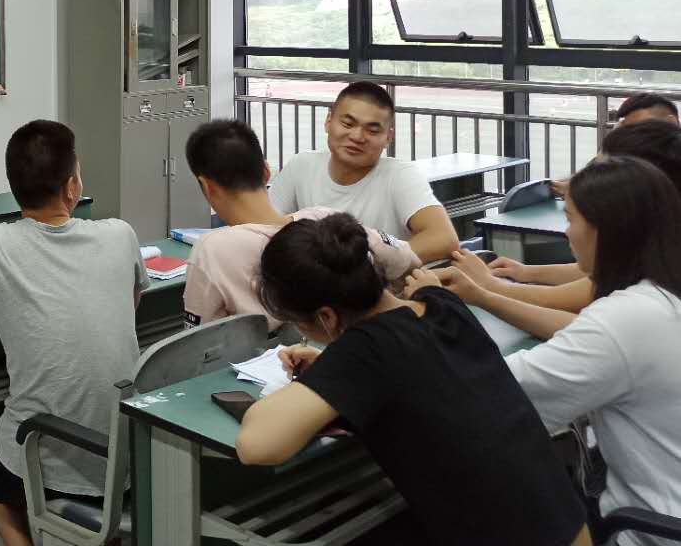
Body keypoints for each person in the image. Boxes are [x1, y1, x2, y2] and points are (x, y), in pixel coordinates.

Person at [235, 213, 589, 546]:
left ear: (326, 317)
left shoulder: (365, 351)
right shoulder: (439, 302)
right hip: (568, 521)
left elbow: (257, 446)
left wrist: (333, 370)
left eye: (299, 323)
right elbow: (416, 372)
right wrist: (333, 371)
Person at [0, 121, 146, 546]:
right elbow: (129, 307)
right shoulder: (120, 234)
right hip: (134, 452)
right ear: (72, 186)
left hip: (52, 458)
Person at [501, 156, 681, 543]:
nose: (566, 233)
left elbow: (502, 392)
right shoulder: (664, 291)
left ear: (605, 230)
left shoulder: (627, 318)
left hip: (651, 531)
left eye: (570, 219)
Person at [435, 120, 681, 339]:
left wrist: (488, 288)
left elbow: (586, 326)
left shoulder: (648, 287)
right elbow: (590, 291)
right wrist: (525, 273)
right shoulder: (658, 248)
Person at [182, 119, 419, 329]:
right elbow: (406, 258)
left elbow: (201, 341)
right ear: (266, 171)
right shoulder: (325, 219)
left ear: (207, 187)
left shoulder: (211, 250)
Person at [267, 81, 459, 262]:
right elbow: (264, 225)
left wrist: (369, 266)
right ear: (328, 121)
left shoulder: (399, 175)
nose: (357, 137)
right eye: (348, 124)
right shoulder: (302, 165)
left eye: (372, 131)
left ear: (388, 137)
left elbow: (444, 238)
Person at [549, 93, 678, 198]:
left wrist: (580, 189)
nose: (634, 135)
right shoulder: (633, 154)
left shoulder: (669, 162)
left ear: (671, 122)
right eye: (628, 128)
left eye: (643, 127)